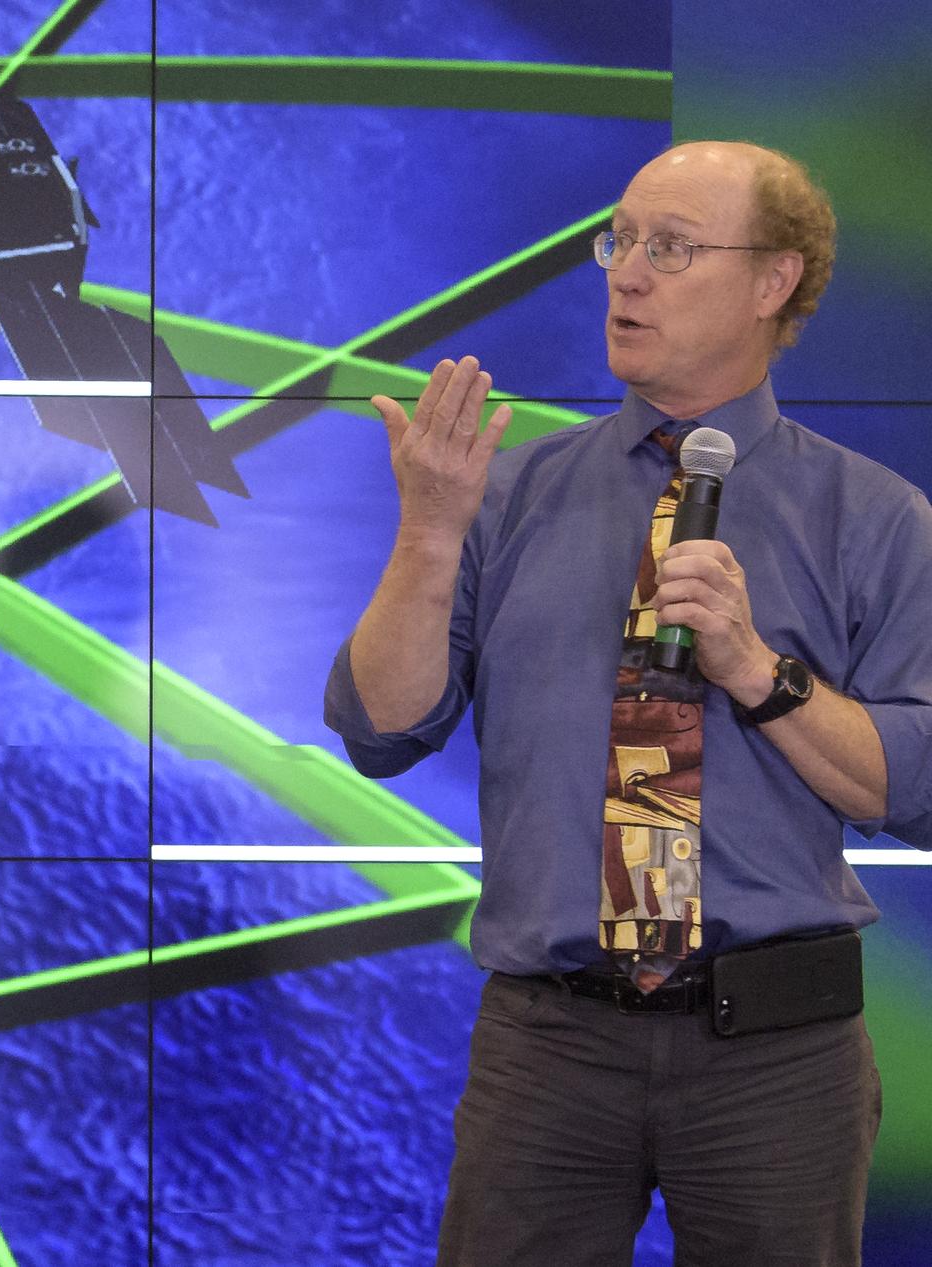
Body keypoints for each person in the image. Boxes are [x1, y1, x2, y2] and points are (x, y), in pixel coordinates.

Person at [323, 140, 932, 1266]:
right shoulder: (502, 493)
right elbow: (378, 729)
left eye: (670, 247)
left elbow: (919, 786)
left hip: (777, 1052)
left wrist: (760, 669)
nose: (625, 274)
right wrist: (425, 534)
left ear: (772, 281)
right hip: (547, 1043)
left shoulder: (875, 515)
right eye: (619, 241)